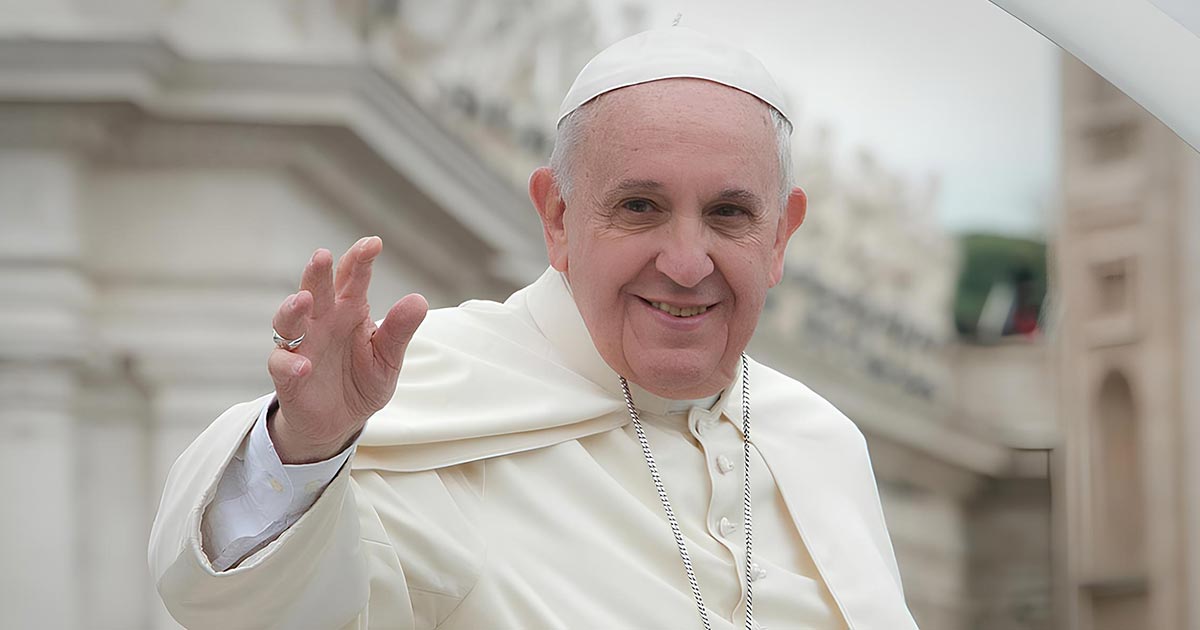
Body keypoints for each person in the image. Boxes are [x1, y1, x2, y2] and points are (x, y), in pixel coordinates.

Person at [149, 27, 918, 629]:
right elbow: (252, 611)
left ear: (781, 235)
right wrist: (306, 450)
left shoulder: (822, 443)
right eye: (640, 207)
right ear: (556, 217)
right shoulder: (424, 405)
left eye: (729, 213)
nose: (687, 263)